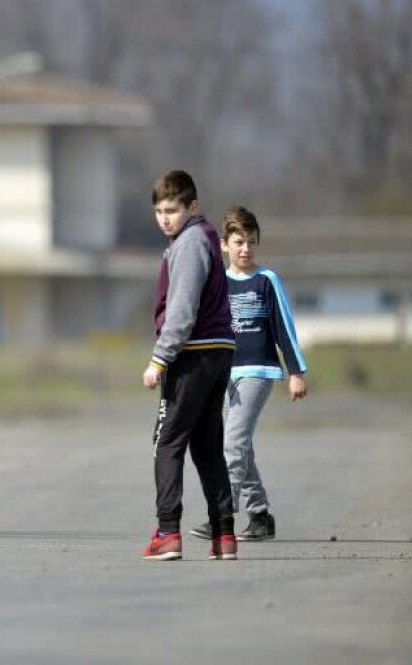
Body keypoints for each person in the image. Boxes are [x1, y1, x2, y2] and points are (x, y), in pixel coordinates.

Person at [189, 206, 308, 543]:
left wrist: (296, 371)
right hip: (224, 372)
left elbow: (284, 326)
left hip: (259, 371)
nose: (246, 249)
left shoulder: (266, 280)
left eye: (252, 242)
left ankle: (221, 515)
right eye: (239, 242)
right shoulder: (216, 285)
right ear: (224, 245)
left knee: (233, 442)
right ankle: (260, 516)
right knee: (242, 445)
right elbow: (204, 328)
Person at [141, 170, 238, 562]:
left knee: (167, 442)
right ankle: (224, 534)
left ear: (192, 207)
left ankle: (167, 532)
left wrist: (159, 360)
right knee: (207, 445)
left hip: (194, 353)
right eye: (160, 211)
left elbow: (182, 309)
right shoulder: (198, 239)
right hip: (217, 351)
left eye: (173, 210)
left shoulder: (191, 241)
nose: (166, 218)